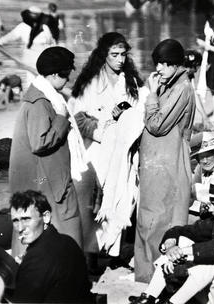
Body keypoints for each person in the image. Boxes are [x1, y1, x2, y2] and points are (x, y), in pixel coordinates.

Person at [70, 32, 146, 271]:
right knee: (97, 200)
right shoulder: (90, 83)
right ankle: (91, 253)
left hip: (124, 152)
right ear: (104, 55)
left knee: (124, 196)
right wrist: (103, 130)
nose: (120, 59)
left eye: (123, 54)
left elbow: (140, 112)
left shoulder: (131, 82)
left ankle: (112, 251)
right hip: (98, 151)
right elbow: (79, 118)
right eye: (114, 55)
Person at [129, 178, 214, 304]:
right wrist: (171, 246)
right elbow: (180, 231)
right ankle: (148, 297)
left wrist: (183, 253)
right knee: (183, 241)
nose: (211, 210)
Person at [9, 46, 82, 257]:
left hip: (41, 176)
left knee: (38, 230)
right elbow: (39, 142)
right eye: (66, 75)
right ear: (52, 75)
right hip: (46, 178)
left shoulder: (41, 95)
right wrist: (61, 118)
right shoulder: (41, 102)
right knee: (64, 226)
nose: (68, 80)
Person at [135, 38, 196, 283]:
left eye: (162, 63)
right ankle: (146, 273)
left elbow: (156, 124)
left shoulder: (182, 88)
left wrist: (150, 95)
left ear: (174, 64)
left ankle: (155, 277)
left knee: (162, 215)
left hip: (169, 160)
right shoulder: (169, 84)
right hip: (158, 160)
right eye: (157, 63)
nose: (158, 68)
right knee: (150, 213)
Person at [8, 190, 93, 303]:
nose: (20, 228)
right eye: (15, 221)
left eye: (26, 219)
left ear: (46, 217)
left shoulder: (37, 256)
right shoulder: (68, 241)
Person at [0, 6, 55, 84]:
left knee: (36, 79)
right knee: (33, 78)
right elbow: (12, 35)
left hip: (39, 54)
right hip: (33, 55)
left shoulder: (43, 27)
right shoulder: (25, 26)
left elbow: (51, 42)